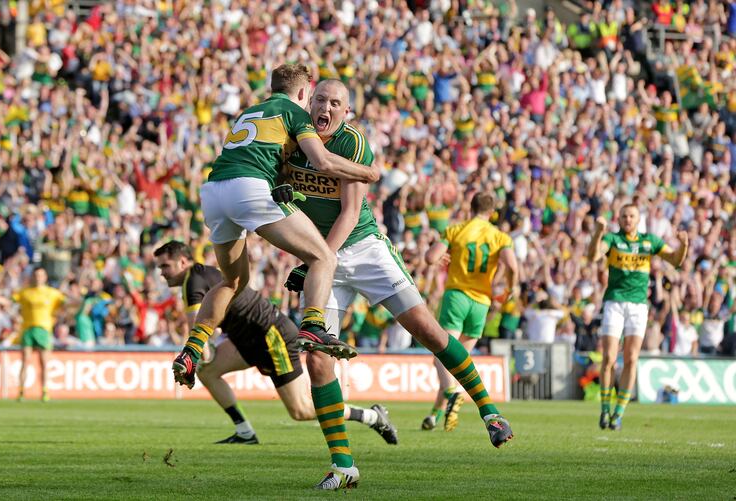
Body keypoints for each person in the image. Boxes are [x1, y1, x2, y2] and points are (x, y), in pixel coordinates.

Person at [279, 80, 514, 490]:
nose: (327, 107)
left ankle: (489, 410)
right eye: (320, 100)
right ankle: (343, 464)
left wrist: (317, 261)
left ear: (346, 112)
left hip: (362, 249)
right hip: (323, 256)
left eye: (336, 103)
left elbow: (350, 213)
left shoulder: (352, 143)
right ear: (309, 102)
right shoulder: (292, 138)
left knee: (428, 331)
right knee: (317, 358)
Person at [173, 64, 380, 395]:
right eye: (312, 97)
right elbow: (324, 161)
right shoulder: (295, 113)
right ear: (303, 94)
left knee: (234, 282)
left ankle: (192, 349)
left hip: (214, 192)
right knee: (324, 256)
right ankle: (313, 325)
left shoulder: (251, 112)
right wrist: (367, 173)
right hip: (247, 188)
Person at [154, 242, 398, 446]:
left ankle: (370, 416)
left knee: (301, 410)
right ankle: (245, 432)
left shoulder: (192, 283)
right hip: (250, 337)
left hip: (270, 335)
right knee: (209, 372)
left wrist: (194, 357)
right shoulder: (201, 274)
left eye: (165, 265)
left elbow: (200, 344)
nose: (162, 272)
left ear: (183, 262)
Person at [421, 192, 519, 432]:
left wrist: (441, 256)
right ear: (492, 211)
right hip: (482, 302)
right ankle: (435, 414)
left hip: (457, 295)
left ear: (470, 207)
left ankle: (452, 393)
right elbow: (512, 266)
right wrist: (510, 287)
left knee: (443, 357)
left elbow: (430, 257)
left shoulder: (456, 230)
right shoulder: (499, 236)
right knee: (459, 363)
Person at [587, 203, 688, 431]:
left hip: (638, 306)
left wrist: (683, 245)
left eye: (631, 216)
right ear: (619, 219)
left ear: (638, 218)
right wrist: (597, 233)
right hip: (614, 301)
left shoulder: (649, 241)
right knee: (609, 358)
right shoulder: (612, 240)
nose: (627, 220)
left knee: (632, 359)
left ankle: (618, 414)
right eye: (623, 216)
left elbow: (675, 260)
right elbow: (593, 255)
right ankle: (605, 409)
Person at [0, 268, 65, 402]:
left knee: (44, 362)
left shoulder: (52, 293)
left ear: (45, 277)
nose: (38, 278)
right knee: (25, 361)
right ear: (32, 277)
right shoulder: (25, 292)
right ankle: (21, 391)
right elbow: (9, 301)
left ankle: (45, 390)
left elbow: (65, 304)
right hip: (28, 329)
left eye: (41, 275)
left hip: (43, 329)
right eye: (36, 275)